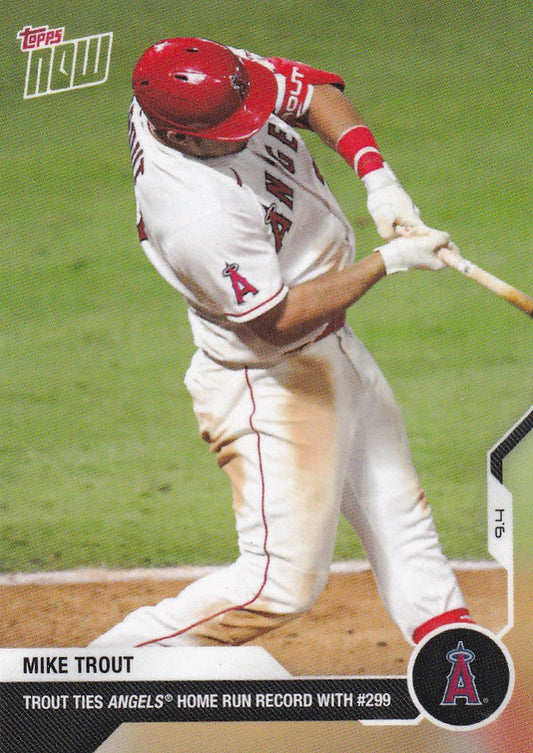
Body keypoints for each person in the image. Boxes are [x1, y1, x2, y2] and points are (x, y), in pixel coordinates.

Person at [90, 37, 474, 649]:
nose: (252, 124)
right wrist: (388, 261)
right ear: (182, 137)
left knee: (397, 510)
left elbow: (310, 90)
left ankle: (457, 666)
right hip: (271, 382)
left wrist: (379, 179)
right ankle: (103, 671)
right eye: (228, 130)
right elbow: (275, 320)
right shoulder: (193, 213)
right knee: (278, 585)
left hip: (332, 348)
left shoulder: (201, 80)